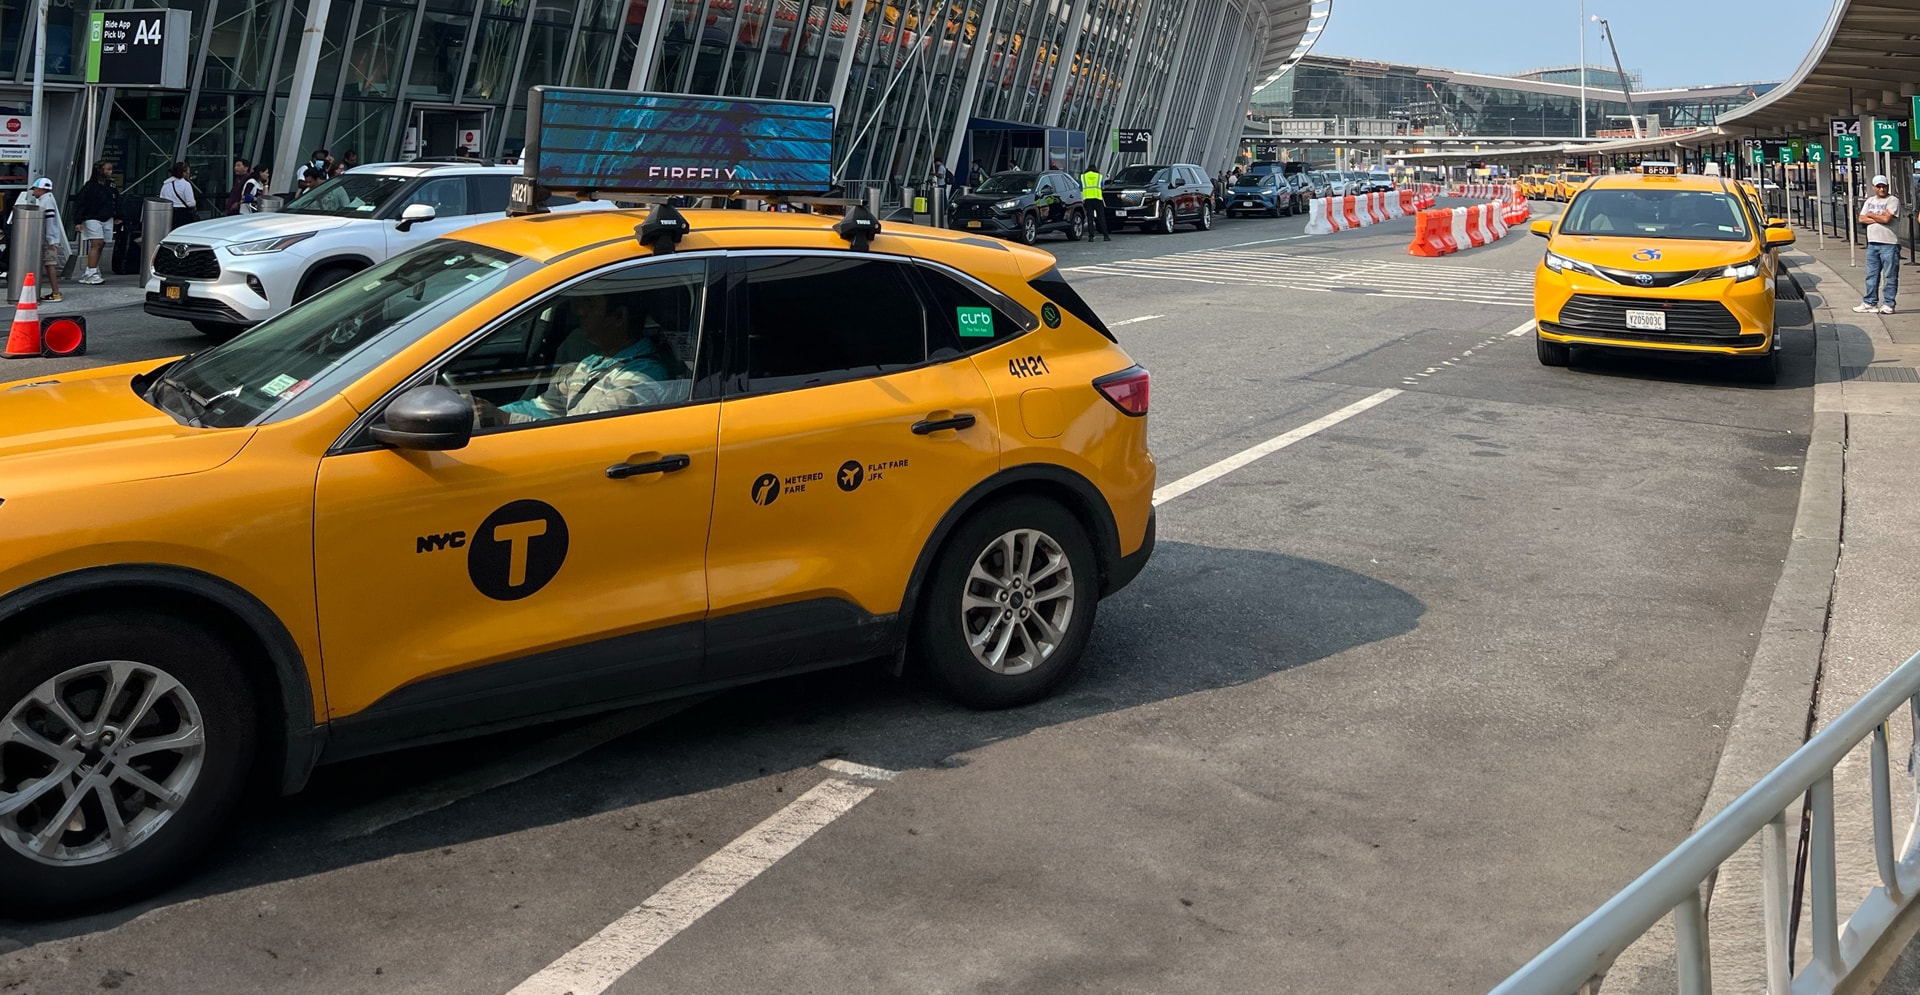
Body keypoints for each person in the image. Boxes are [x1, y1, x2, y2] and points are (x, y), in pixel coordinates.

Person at [473, 293, 679, 425]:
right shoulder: (593, 361)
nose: (578, 311)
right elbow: (545, 407)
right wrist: (487, 412)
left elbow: (578, 432)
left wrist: (504, 419)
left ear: (619, 317)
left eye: (589, 302)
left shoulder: (639, 381)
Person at [12, 178, 68, 301]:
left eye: (35, 189)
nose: (33, 193)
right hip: (49, 239)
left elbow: (49, 222)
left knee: (50, 265)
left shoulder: (46, 201)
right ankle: (53, 292)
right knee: (48, 265)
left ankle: (55, 293)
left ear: (41, 189)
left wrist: (50, 240)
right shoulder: (47, 199)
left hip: (48, 241)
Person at [1855, 174, 1901, 315]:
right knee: (1871, 274)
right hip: (1873, 243)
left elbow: (1887, 219)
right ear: (1874, 187)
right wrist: (1878, 218)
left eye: (1884, 186)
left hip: (1889, 244)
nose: (1882, 189)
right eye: (1879, 186)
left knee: (1889, 275)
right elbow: (1861, 218)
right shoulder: (1869, 200)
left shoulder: (1893, 200)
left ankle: (1889, 304)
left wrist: (1872, 215)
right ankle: (1870, 302)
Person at [74, 162, 118, 285]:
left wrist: (118, 215)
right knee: (97, 244)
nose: (110, 172)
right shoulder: (90, 186)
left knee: (101, 244)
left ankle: (92, 268)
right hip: (92, 217)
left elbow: (116, 200)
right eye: (108, 169)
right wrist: (78, 220)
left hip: (107, 217)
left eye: (111, 169)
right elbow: (81, 203)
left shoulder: (111, 185)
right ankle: (91, 272)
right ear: (100, 171)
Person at [159, 161, 197, 229]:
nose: (189, 173)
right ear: (183, 172)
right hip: (183, 214)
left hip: (169, 213)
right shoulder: (186, 184)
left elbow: (162, 200)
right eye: (188, 171)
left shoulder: (166, 184)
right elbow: (191, 203)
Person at [1081, 163, 1109, 241]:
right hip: (1097, 199)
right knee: (1101, 218)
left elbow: (1080, 187)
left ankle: (1091, 237)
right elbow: (1102, 186)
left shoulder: (1083, 177)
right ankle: (1105, 236)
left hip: (1088, 199)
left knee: (1090, 218)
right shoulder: (1099, 176)